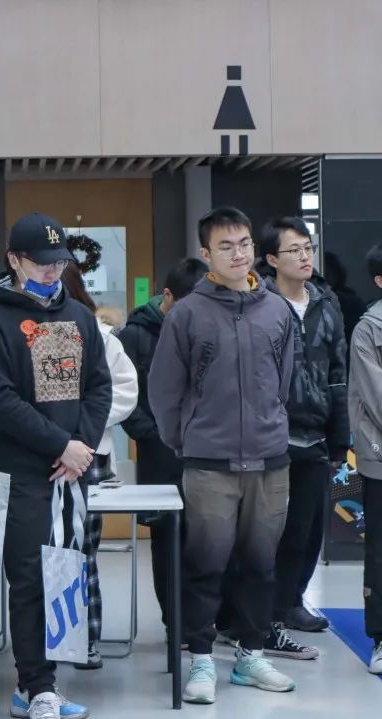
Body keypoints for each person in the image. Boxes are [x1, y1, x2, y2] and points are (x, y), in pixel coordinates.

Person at [148, 207, 297, 705]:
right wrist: (187, 440)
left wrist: (270, 426)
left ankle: (251, 656)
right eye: (226, 246)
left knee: (261, 564)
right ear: (206, 253)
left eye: (245, 243)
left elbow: (284, 380)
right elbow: (164, 391)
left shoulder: (276, 310)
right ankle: (201, 659)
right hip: (208, 463)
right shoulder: (187, 313)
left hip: (270, 460)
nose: (238, 254)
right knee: (205, 564)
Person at [0, 212, 111, 719]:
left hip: (72, 470)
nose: (53, 272)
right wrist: (59, 445)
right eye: (42, 263)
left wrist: (81, 446)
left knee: (66, 575)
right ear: (14, 260)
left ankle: (40, 685)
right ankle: (37, 687)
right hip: (23, 474)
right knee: (30, 578)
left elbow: (100, 385)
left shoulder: (79, 317)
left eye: (59, 263)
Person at [243, 218, 347, 653]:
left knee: (307, 528)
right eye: (294, 250)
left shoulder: (326, 301)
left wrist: (340, 434)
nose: (305, 257)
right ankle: (255, 615)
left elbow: (338, 372)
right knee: (266, 531)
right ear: (271, 259)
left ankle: (289, 602)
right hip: (271, 433)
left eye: (308, 248)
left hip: (315, 431)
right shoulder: (257, 303)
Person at [119, 257, 207, 635]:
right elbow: (123, 398)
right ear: (167, 296)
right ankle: (177, 623)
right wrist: (153, 434)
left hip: (206, 450)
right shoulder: (135, 335)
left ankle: (207, 619)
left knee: (209, 538)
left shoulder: (209, 328)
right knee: (168, 540)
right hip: (161, 452)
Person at [59, 263, 138, 671]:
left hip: (88, 457)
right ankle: (49, 646)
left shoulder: (100, 336)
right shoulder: (25, 331)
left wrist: (82, 426)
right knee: (41, 553)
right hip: (40, 451)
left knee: (81, 551)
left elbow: (125, 392)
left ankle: (86, 641)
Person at [347, 242, 382, 676]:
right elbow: (376, 397)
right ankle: (381, 637)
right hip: (380, 458)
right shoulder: (369, 329)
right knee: (380, 553)